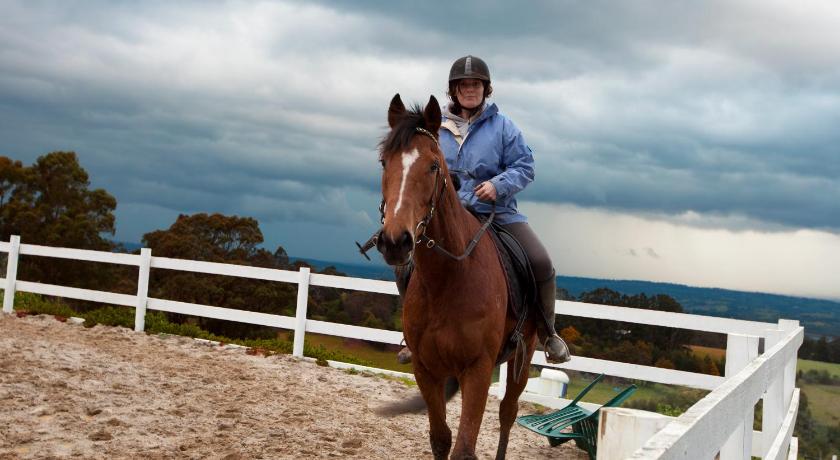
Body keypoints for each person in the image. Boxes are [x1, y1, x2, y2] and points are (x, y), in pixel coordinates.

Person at [397, 55, 570, 364]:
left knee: (541, 262)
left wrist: (497, 186)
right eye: (464, 85)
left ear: (485, 89)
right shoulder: (435, 129)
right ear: (454, 90)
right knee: (405, 263)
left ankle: (547, 333)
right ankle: (412, 332)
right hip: (447, 217)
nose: (470, 90)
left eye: (476, 84)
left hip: (496, 212)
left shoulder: (504, 127)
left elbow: (525, 166)